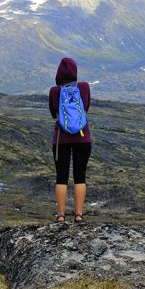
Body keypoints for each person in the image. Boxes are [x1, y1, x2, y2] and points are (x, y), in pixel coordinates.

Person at [48, 57, 92, 223]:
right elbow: (85, 107)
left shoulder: (54, 91)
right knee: (80, 176)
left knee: (61, 177)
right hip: (83, 138)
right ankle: (79, 215)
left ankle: (60, 215)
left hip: (61, 140)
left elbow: (54, 113)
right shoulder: (84, 87)